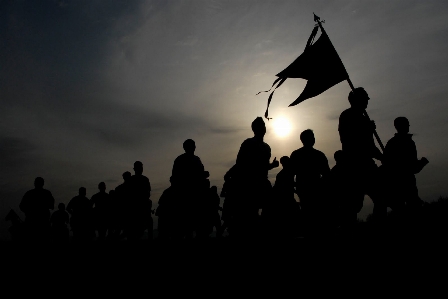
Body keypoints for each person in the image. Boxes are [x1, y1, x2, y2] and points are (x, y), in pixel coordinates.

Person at [338, 87, 385, 221]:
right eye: (364, 99)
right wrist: (367, 130)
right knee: (354, 205)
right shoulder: (348, 116)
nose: (366, 102)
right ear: (356, 100)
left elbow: (370, 146)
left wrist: (382, 157)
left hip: (366, 164)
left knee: (380, 198)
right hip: (354, 166)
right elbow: (351, 141)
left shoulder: (363, 119)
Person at [230, 117, 279, 238]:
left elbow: (263, 166)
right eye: (259, 126)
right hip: (249, 184)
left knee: (269, 209)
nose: (262, 128)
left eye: (263, 125)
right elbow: (240, 163)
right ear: (254, 129)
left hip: (262, 182)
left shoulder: (267, 147)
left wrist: (272, 165)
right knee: (251, 212)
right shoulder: (248, 143)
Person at [383, 117, 429, 212]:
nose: (408, 126)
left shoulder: (391, 143)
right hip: (404, 183)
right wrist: (422, 162)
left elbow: (386, 162)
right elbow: (413, 167)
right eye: (406, 124)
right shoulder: (408, 143)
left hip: (397, 184)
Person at [171, 139, 208, 238]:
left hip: (188, 194)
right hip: (189, 195)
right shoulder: (193, 160)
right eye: (193, 146)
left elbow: (174, 178)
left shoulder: (181, 159)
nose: (194, 148)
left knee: (189, 223)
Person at [19, 177, 55, 241]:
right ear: (43, 184)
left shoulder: (29, 193)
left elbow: (22, 206)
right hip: (42, 222)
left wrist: (28, 212)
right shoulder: (47, 193)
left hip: (33, 221)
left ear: (34, 183)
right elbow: (51, 206)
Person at [126, 161, 152, 242]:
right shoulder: (133, 180)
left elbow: (147, 193)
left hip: (140, 208)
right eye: (140, 167)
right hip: (135, 209)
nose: (141, 169)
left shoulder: (143, 179)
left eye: (141, 167)